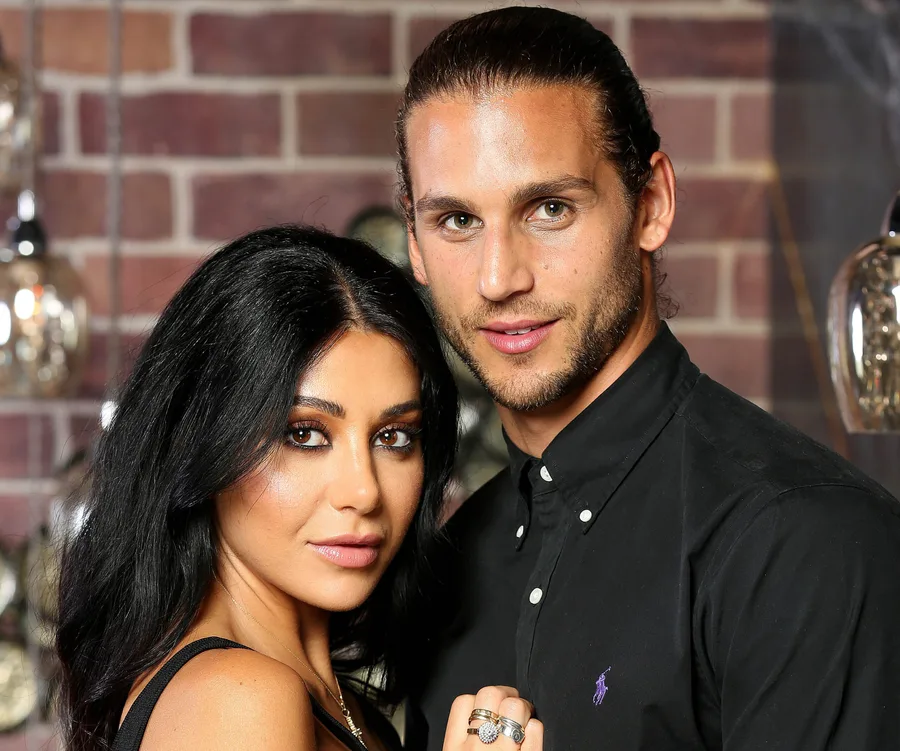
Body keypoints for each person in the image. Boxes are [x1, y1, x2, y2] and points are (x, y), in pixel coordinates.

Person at [397, 7, 900, 751]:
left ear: (652, 204)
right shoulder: (446, 568)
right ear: (413, 240)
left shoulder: (806, 545)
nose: (498, 278)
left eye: (549, 209)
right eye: (458, 222)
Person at [55, 224, 543, 751]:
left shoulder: (340, 707)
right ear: (205, 442)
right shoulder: (238, 700)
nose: (364, 492)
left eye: (394, 437)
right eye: (304, 434)